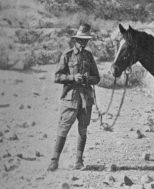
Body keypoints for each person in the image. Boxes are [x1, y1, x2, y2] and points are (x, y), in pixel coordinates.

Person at [48, 23, 100, 171]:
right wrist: (72, 77)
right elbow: (57, 77)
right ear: (75, 40)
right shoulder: (67, 55)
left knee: (83, 130)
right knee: (63, 129)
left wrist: (87, 78)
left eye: (85, 40)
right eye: (80, 40)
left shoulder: (89, 56)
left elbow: (97, 78)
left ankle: (78, 161)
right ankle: (54, 161)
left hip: (85, 100)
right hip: (70, 99)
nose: (83, 43)